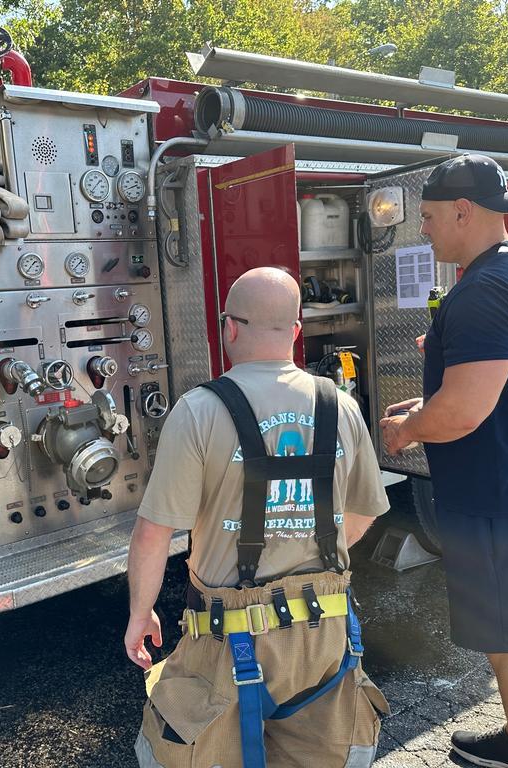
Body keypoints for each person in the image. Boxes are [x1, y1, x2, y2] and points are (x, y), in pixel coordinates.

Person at [125, 267, 391, 768]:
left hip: (225, 638)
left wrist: (141, 613)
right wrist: (300, 544)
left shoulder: (199, 411)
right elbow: (359, 514)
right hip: (324, 636)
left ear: (229, 327)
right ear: (296, 332)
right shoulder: (340, 405)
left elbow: (154, 532)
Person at [381, 154, 508, 768]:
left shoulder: (486, 289)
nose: (424, 230)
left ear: (464, 211)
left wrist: (407, 430)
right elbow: (500, 384)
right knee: (507, 639)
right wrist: (433, 394)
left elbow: (465, 411)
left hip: (501, 498)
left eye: (431, 216)